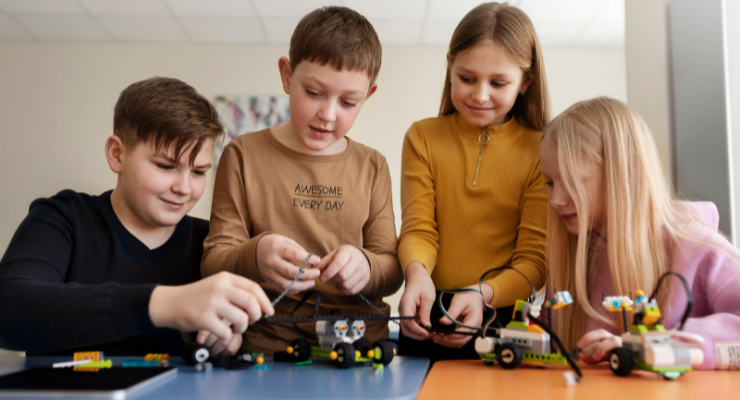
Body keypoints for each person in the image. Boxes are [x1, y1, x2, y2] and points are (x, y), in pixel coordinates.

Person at [0, 77, 273, 356]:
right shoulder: (64, 218)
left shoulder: (214, 246)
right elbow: (8, 310)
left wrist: (230, 343)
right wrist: (165, 304)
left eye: (199, 172)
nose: (184, 188)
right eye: (166, 166)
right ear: (117, 154)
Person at [201, 6, 403, 355]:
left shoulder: (373, 166)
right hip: (267, 343)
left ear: (368, 96)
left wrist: (366, 267)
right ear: (286, 75)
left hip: (359, 346)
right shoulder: (242, 155)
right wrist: (256, 254)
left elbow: (391, 267)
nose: (328, 114)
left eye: (348, 102)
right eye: (313, 93)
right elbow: (213, 260)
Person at [397, 2, 550, 361]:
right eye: (467, 79)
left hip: (503, 314)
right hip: (429, 306)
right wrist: (416, 274)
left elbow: (534, 262)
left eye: (498, 83)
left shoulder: (542, 149)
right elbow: (419, 229)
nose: (480, 95)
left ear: (526, 81)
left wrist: (484, 294)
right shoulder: (422, 137)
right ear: (449, 66)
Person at [540, 97, 740, 370]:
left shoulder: (699, 249)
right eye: (550, 183)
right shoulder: (573, 258)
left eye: (573, 181)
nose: (556, 200)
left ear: (623, 174)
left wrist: (661, 344)